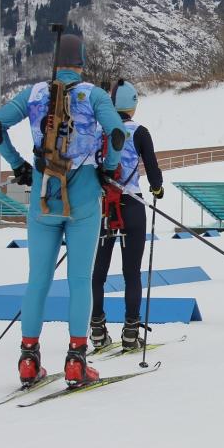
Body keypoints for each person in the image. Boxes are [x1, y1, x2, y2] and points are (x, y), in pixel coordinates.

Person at [0, 33, 125, 386]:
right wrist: (108, 168)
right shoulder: (91, 94)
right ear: (81, 61)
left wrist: (18, 166)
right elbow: (117, 133)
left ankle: (29, 359)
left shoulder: (34, 94)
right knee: (79, 280)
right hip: (82, 198)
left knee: (38, 281)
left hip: (43, 197)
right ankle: (77, 359)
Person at [90, 80, 164, 352]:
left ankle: (97, 331)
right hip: (132, 204)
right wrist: (157, 189)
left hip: (102, 208)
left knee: (97, 272)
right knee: (131, 272)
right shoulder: (140, 132)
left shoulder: (99, 131)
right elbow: (154, 172)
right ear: (132, 105)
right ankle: (131, 332)